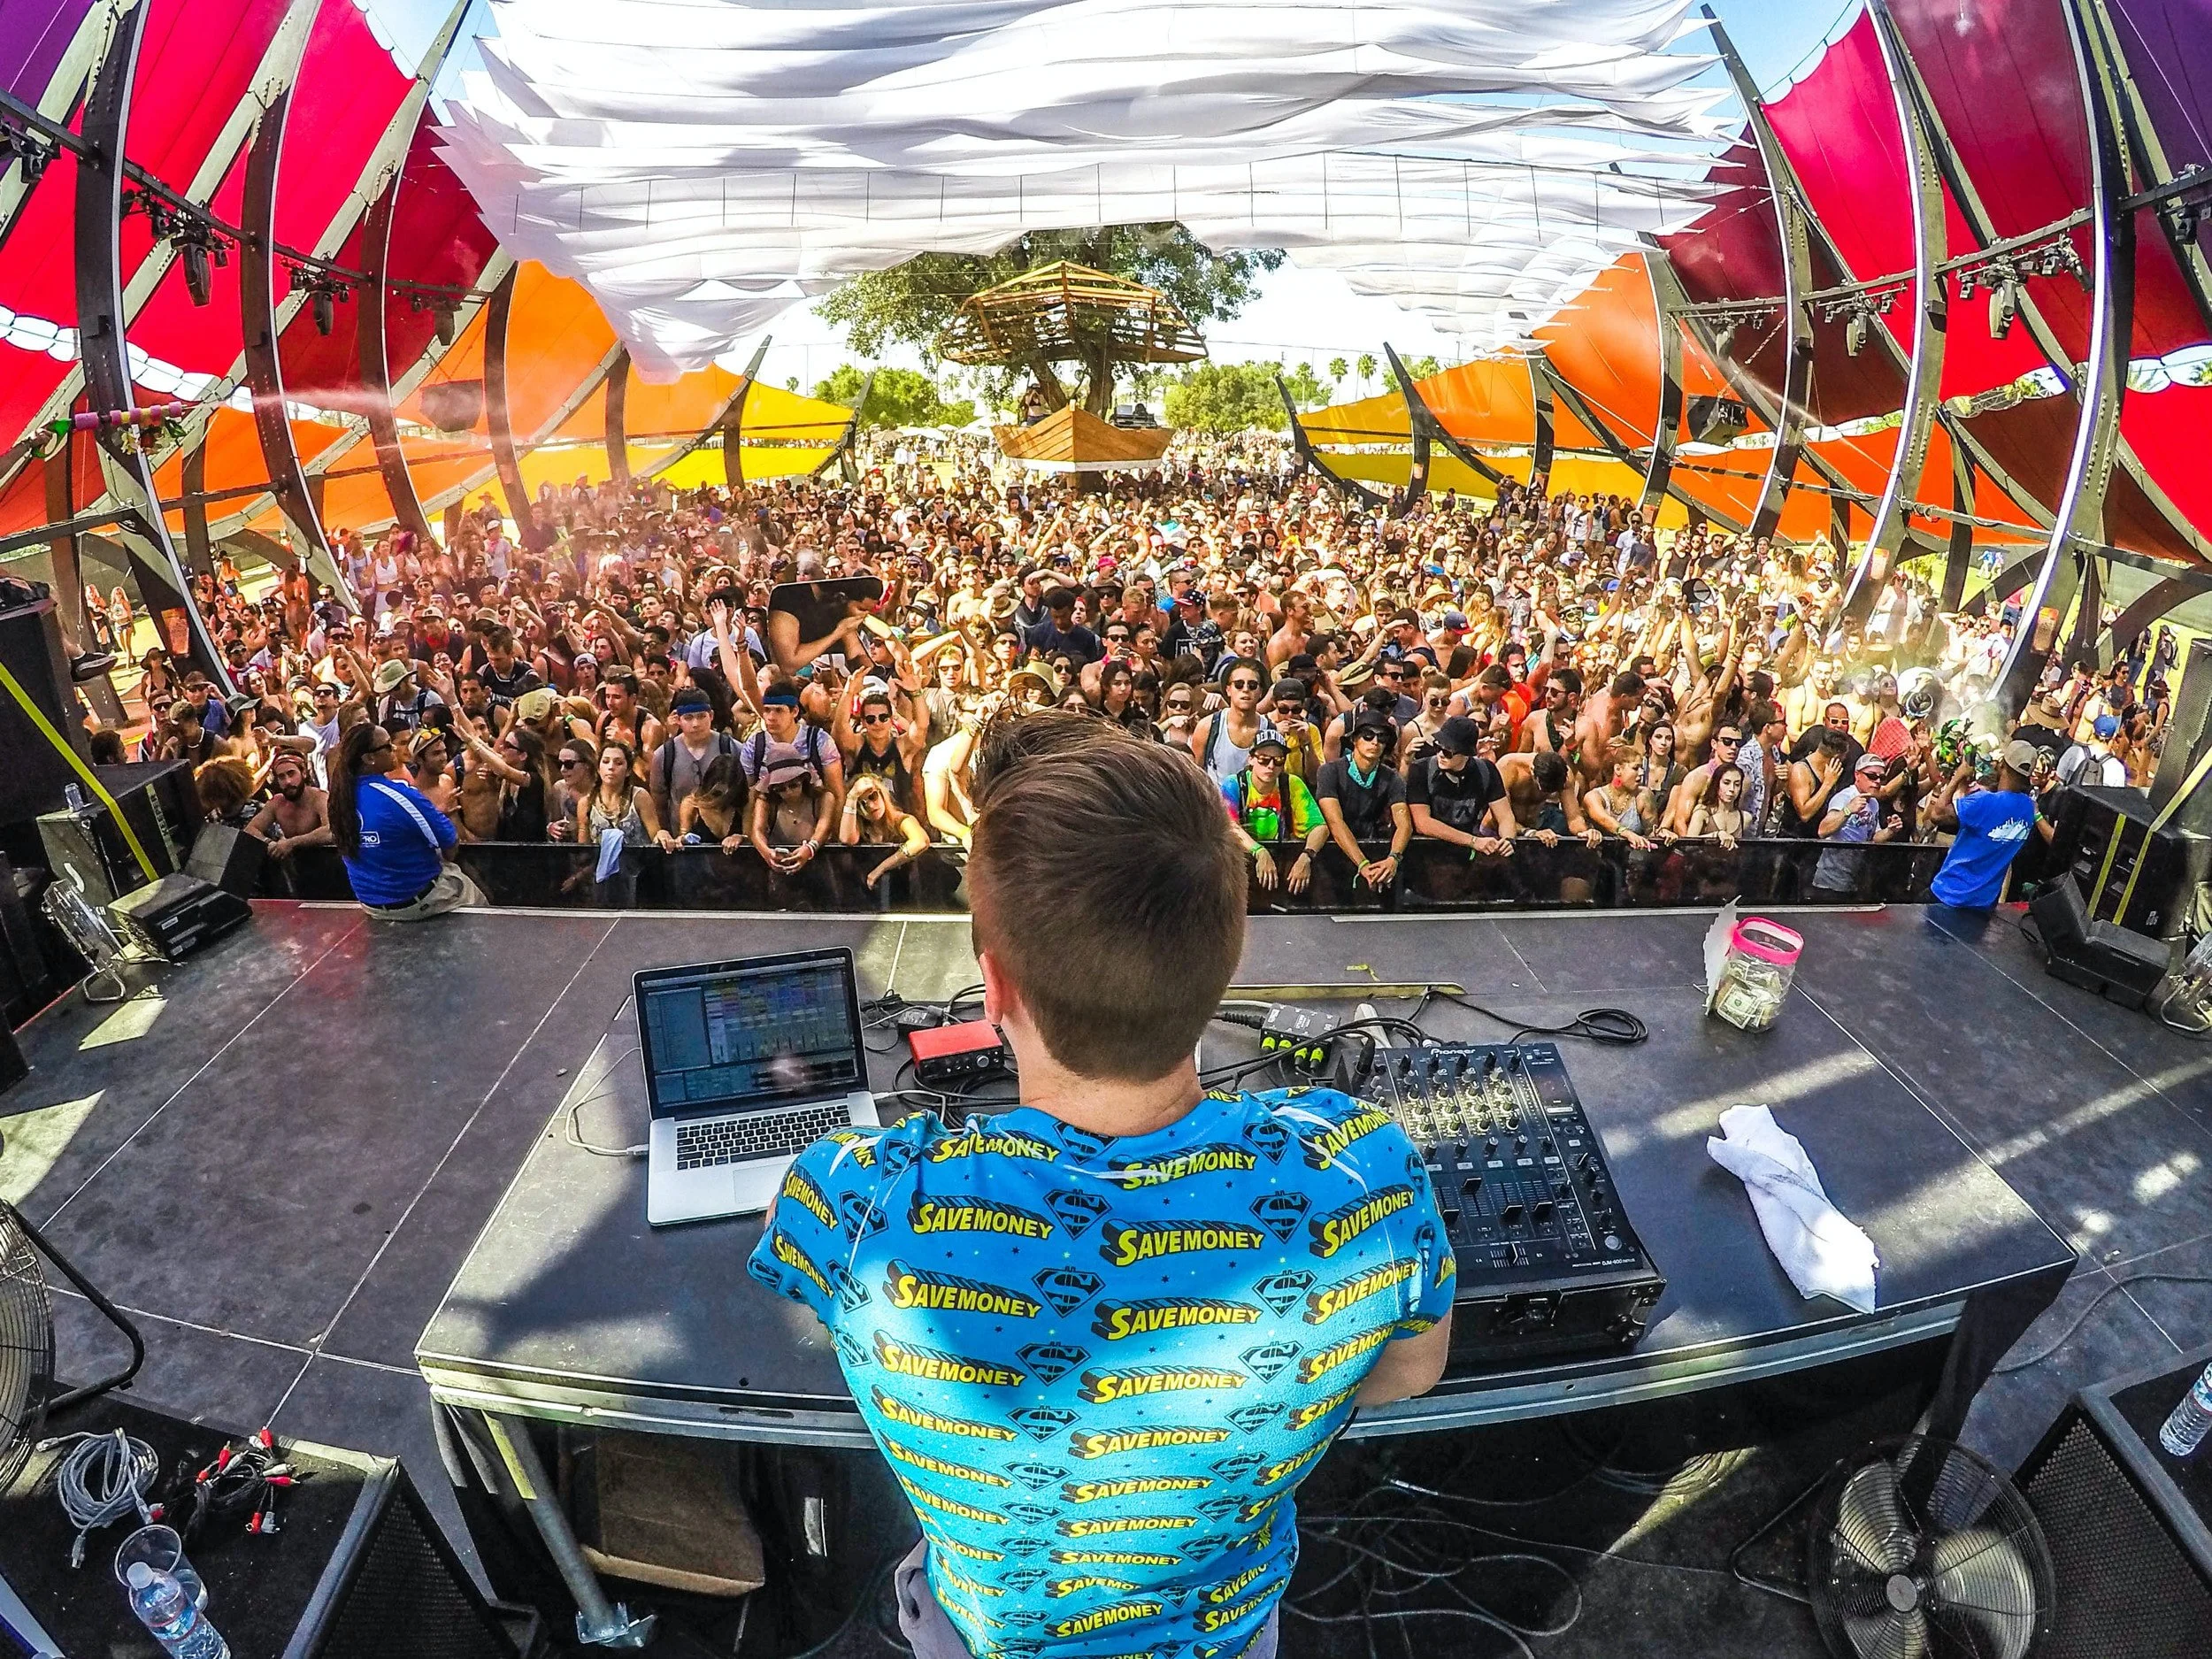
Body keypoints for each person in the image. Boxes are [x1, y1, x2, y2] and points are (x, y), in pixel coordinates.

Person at [749, 714, 1453, 1659]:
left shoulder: (859, 1196)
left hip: (986, 1635)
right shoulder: (1360, 1167)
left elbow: (787, 1243)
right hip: (1230, 1629)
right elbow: (1409, 1371)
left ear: (992, 986)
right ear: (1228, 958)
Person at [325, 723, 482, 919]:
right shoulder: (401, 795)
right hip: (416, 902)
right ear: (369, 758)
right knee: (482, 904)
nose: (394, 750)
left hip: (370, 904)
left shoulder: (339, 798)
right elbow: (450, 847)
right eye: (387, 746)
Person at [1928, 740, 2045, 909]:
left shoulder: (1984, 802)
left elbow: (1936, 814)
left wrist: (1958, 776)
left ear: (2003, 765)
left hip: (1950, 894)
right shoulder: (2029, 809)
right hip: (1983, 905)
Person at [1220, 730, 1326, 892]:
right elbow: (1229, 825)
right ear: (1251, 759)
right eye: (1263, 759)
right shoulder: (1233, 784)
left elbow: (1320, 828)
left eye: (1278, 761)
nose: (1271, 766)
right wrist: (1259, 851)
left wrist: (1306, 857)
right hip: (1241, 867)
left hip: (1283, 869)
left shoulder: (1292, 784)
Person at [1317, 710, 1410, 890]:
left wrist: (1393, 858)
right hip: (1331, 854)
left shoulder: (1392, 778)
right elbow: (1335, 822)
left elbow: (1404, 824)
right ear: (1354, 740)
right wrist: (1362, 864)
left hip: (1374, 851)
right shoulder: (1330, 771)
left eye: (1382, 738)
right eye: (1368, 735)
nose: (1375, 742)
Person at [1407, 716, 1517, 854]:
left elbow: (1505, 815)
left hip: (1463, 856)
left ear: (1466, 753)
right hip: (1424, 853)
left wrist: (1508, 840)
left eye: (1448, 752)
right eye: (1438, 746)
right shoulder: (1421, 769)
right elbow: (1423, 823)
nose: (1441, 754)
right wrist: (1473, 841)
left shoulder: (1486, 771)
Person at [243, 749, 332, 860]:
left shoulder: (320, 798)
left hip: (326, 863)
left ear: (303, 773)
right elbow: (250, 829)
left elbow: (330, 831)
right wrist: (269, 843)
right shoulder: (277, 802)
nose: (288, 781)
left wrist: (292, 842)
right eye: (281, 777)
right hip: (295, 866)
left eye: (291, 774)